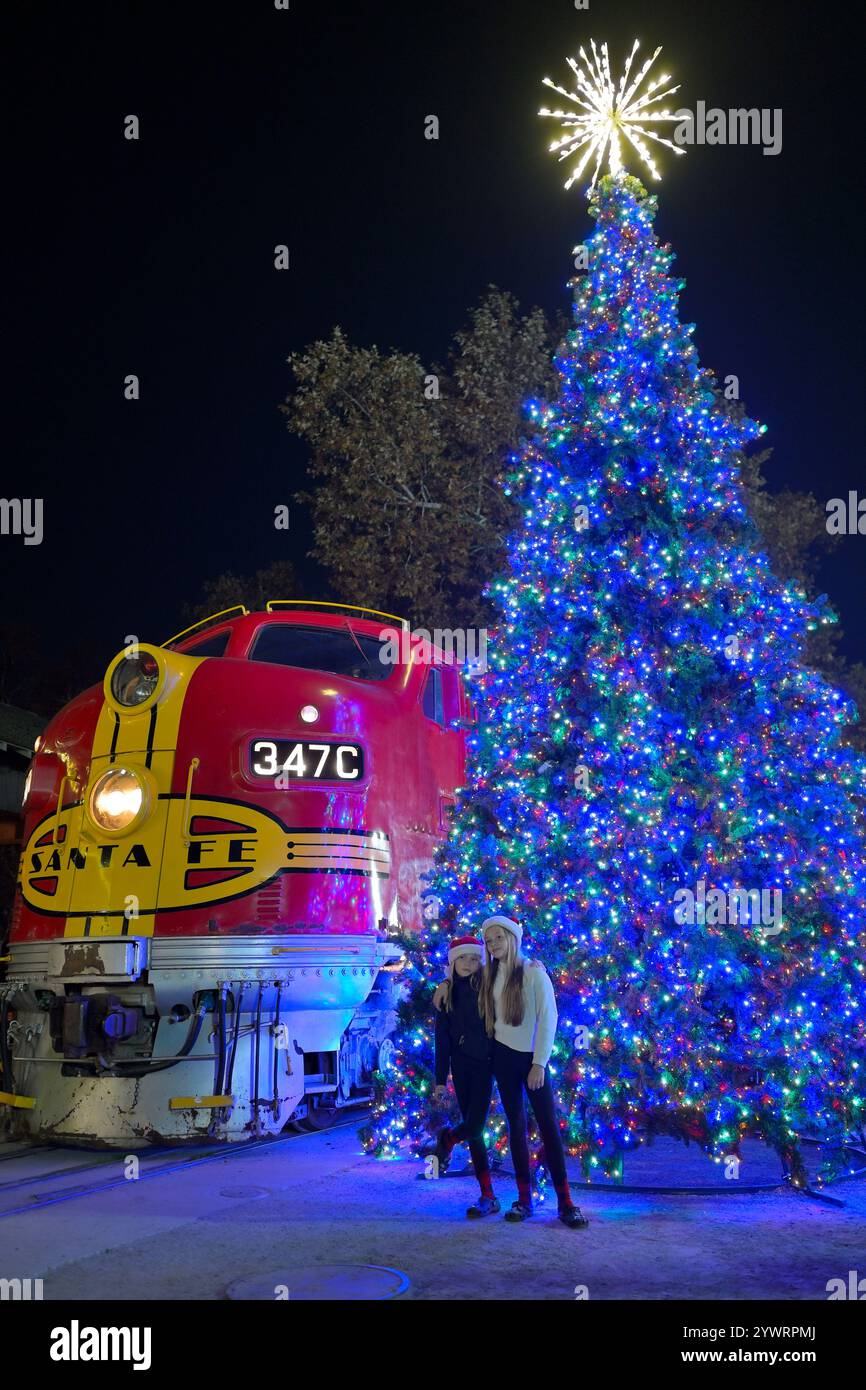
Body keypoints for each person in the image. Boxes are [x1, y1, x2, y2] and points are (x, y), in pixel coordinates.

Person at [435, 914, 588, 1229]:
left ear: (512, 937)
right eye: (488, 941)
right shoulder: (489, 974)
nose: (493, 945)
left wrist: (539, 1063)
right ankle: (524, 1200)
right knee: (516, 1127)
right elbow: (459, 982)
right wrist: (444, 983)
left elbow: (548, 1018)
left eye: (498, 938)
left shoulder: (533, 973)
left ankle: (566, 1202)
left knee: (548, 1128)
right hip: (503, 1060)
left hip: (532, 1061)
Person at [428, 935, 499, 1218]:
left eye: (474, 958)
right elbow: (441, 1042)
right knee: (476, 1133)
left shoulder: (489, 986)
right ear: (452, 963)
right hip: (460, 1066)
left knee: (475, 1126)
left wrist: (537, 967)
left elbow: (515, 974)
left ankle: (447, 1138)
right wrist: (439, 1081)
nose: (468, 964)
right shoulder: (446, 995)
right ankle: (487, 1195)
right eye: (462, 958)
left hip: (486, 1065)